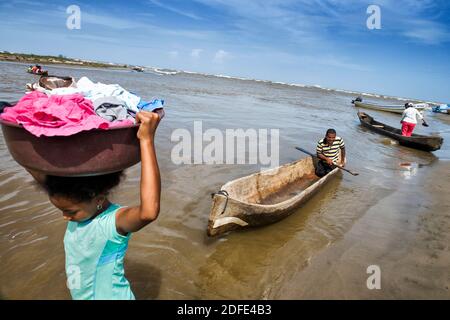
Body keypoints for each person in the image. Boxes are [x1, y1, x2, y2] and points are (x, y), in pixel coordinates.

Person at [27, 111, 161, 300]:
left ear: (97, 198)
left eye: (69, 211)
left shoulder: (112, 223)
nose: (65, 217)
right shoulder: (80, 209)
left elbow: (148, 212)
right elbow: (32, 164)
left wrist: (146, 140)